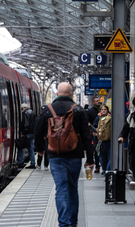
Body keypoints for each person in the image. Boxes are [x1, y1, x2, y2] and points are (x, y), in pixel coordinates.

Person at [35, 82, 94, 227]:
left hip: (55, 156)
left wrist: (40, 148)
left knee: (61, 189)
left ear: (57, 94)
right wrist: (90, 160)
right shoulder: (79, 110)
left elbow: (37, 130)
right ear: (71, 93)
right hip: (75, 155)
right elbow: (87, 136)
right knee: (73, 188)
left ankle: (63, 223)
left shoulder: (47, 109)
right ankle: (73, 222)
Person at [118, 98, 135, 185]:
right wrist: (121, 137)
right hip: (133, 148)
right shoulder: (131, 117)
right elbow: (125, 129)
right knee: (133, 167)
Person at [17, 103, 36, 169]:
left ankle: (20, 162)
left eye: (22, 108)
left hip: (27, 133)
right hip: (31, 133)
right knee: (31, 149)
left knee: (20, 146)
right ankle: (33, 163)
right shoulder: (32, 112)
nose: (22, 110)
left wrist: (23, 132)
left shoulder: (26, 113)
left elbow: (26, 124)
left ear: (25, 107)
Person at [95, 104, 111, 175]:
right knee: (103, 158)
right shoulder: (100, 118)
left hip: (106, 141)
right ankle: (106, 171)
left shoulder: (102, 118)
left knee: (104, 158)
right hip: (102, 141)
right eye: (102, 109)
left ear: (107, 110)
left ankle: (105, 171)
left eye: (105, 109)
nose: (103, 111)